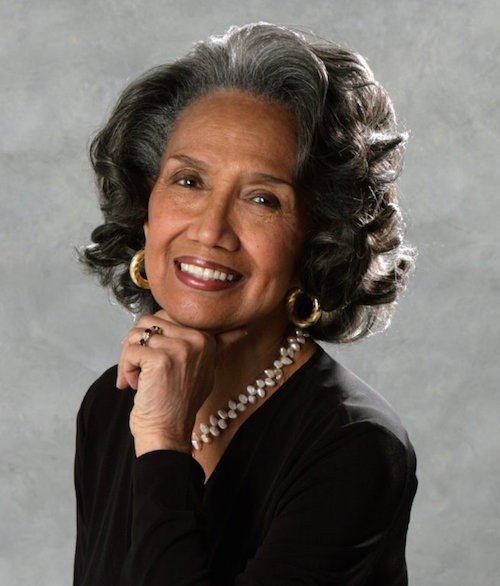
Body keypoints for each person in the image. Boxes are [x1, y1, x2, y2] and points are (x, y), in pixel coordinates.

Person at [74, 22, 417, 586]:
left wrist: (162, 442)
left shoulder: (355, 448)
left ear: (320, 235)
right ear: (145, 201)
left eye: (263, 198)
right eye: (188, 181)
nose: (210, 231)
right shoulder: (113, 407)